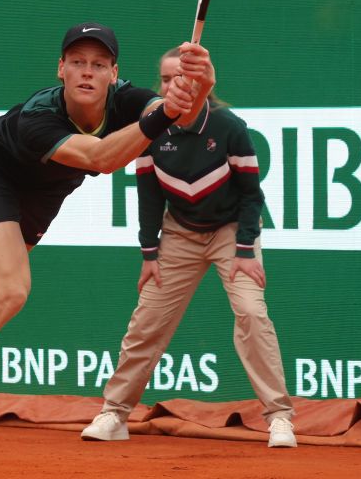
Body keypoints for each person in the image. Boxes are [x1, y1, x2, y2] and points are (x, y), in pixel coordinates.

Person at [0, 22, 217, 472]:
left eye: (98, 64)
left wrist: (199, 86)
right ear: (61, 68)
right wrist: (164, 115)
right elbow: (101, 158)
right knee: (10, 289)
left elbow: (183, 114)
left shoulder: (129, 100)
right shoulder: (40, 116)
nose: (87, 72)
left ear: (115, 73)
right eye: (77, 62)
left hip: (44, 190)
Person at [79, 47, 297, 448]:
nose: (170, 86)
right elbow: (148, 194)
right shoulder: (148, 129)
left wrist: (246, 250)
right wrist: (149, 253)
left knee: (251, 312)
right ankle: (114, 413)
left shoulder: (230, 127)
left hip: (231, 232)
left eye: (178, 77)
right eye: (163, 79)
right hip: (178, 234)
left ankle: (279, 417)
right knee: (147, 321)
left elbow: (252, 194)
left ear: (198, 82)